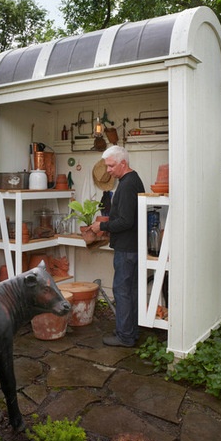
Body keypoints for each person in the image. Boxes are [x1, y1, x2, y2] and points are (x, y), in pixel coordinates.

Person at [90, 145, 145, 347]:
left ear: (123, 163)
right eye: (107, 166)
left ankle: (125, 336)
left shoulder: (129, 184)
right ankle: (130, 331)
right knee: (130, 291)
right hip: (131, 246)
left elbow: (126, 221)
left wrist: (101, 226)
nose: (108, 170)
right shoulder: (129, 180)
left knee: (122, 290)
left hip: (127, 248)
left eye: (111, 166)